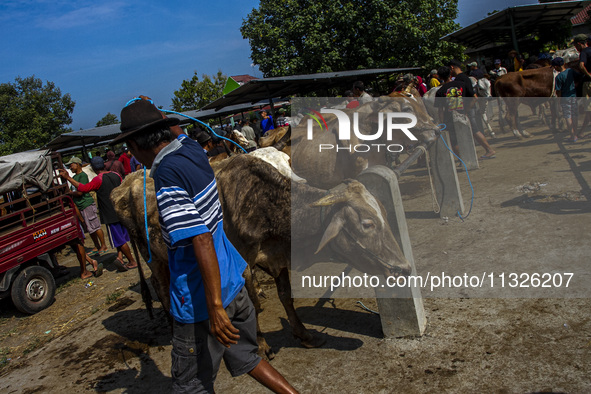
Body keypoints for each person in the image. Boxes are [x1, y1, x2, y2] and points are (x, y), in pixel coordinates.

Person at [115, 99, 298, 393]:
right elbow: (177, 128)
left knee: (191, 386)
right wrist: (156, 113)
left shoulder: (165, 174)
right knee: (248, 359)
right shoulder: (190, 149)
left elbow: (200, 238)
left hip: (201, 302)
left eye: (130, 147)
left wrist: (214, 308)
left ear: (135, 145)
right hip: (234, 286)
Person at [59, 157, 138, 272]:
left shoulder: (98, 180)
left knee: (119, 240)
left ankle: (132, 261)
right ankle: (120, 257)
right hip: (120, 210)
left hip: (109, 213)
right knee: (121, 237)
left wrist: (68, 178)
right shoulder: (116, 175)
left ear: (93, 168)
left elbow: (84, 188)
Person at [447, 60, 496, 159]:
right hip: (469, 108)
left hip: (468, 109)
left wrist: (465, 111)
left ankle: (489, 150)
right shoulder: (464, 77)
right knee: (473, 130)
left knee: (474, 130)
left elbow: (473, 97)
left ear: (452, 67)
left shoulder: (461, 79)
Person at [64, 156, 109, 256]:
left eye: (71, 165)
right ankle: (97, 245)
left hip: (86, 203)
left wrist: (70, 193)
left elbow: (80, 192)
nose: (70, 168)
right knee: (90, 228)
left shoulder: (82, 176)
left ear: (77, 164)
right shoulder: (75, 177)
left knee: (95, 226)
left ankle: (103, 245)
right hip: (81, 205)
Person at [553, 57, 579, 142]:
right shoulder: (570, 71)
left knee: (568, 117)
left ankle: (572, 135)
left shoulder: (558, 77)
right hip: (573, 96)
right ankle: (576, 133)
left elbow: (558, 91)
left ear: (556, 66)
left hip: (565, 98)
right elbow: (578, 77)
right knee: (574, 115)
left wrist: (559, 100)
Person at [573, 34, 591, 137]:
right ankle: (582, 131)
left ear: (579, 44)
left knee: (588, 109)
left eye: (575, 46)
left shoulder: (583, 52)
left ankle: (582, 131)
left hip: (588, 84)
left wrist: (588, 74)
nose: (576, 48)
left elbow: (581, 65)